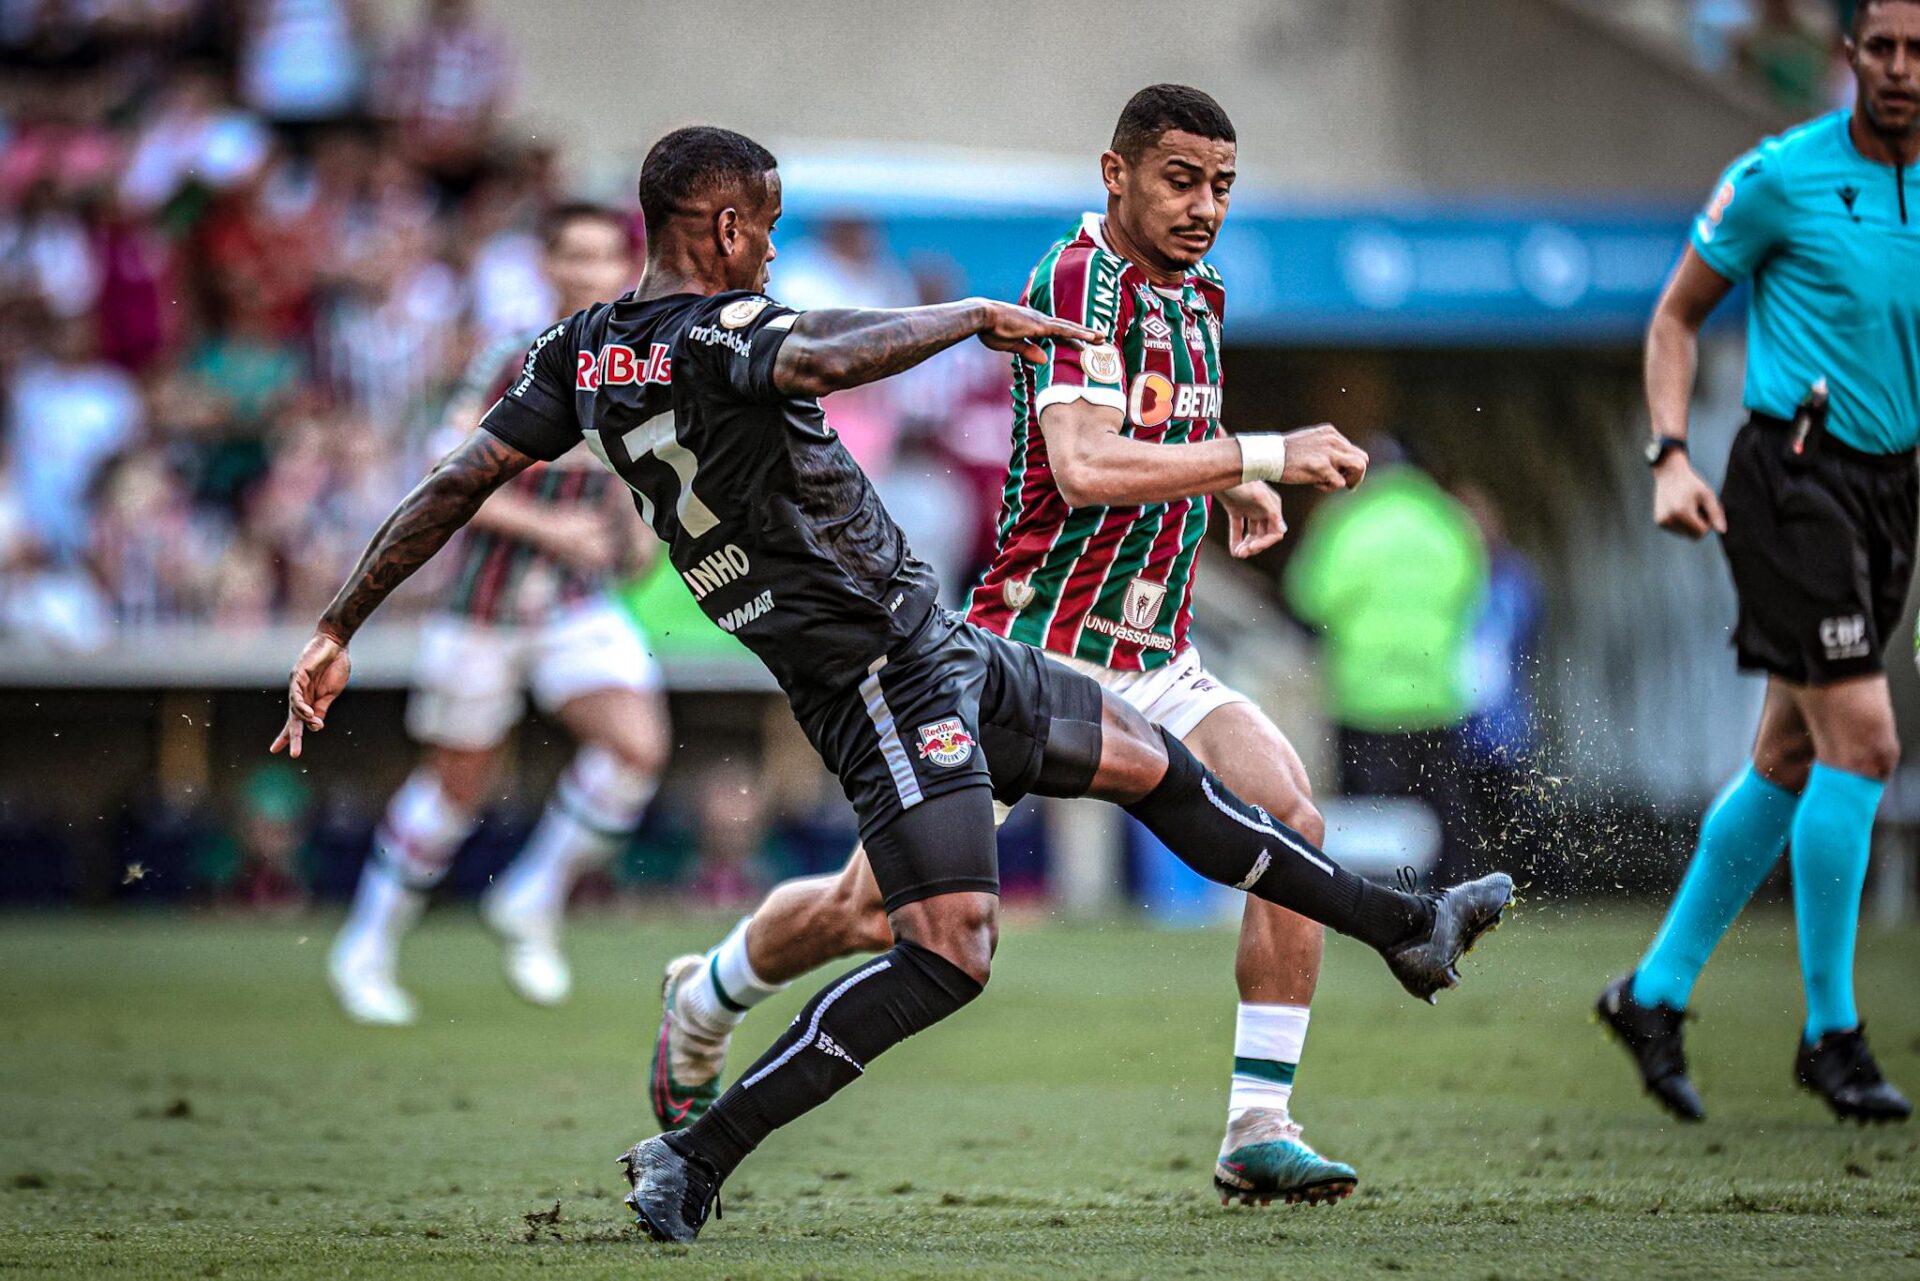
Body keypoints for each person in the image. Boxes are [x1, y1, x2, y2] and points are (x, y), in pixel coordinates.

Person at [272, 125, 1514, 1244]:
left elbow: (453, 482)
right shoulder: (724, 331)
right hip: (873, 674)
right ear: (725, 227)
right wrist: (970, 316)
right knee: (949, 951)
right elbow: (820, 356)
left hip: (942, 647)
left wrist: (338, 624)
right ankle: (693, 1155)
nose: (770, 248)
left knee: (1154, 766)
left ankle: (1405, 927)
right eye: (764, 223)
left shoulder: (581, 354)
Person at [647, 85, 1386, 1210]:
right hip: (1023, 648)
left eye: (1222, 187)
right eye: (1181, 181)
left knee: (1289, 818)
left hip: (1154, 651)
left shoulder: (1204, 293)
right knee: (870, 914)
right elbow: (1087, 467)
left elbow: (1171, 432)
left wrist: (1233, 488)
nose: (1204, 208)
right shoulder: (1076, 280)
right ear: (1116, 173)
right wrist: (1264, 454)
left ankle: (1258, 1123)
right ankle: (707, 991)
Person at [1598, 0, 1918, 1126]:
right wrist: (1669, 454)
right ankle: (1831, 1032)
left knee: (1793, 751)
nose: (1899, 68)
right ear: (1849, 54)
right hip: (1792, 479)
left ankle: (1654, 993)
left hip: (1891, 491)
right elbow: (1677, 317)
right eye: (1881, 46)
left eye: (1919, 50)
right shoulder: (1780, 174)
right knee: (1866, 739)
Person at [325, 203, 668, 1025]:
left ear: (626, 270)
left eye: (603, 257)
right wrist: (553, 526)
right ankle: (366, 944)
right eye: (572, 256)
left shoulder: (643, 370)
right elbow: (445, 473)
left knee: (637, 746)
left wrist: (631, 535)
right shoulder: (512, 357)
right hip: (481, 606)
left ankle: (532, 895)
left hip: (574, 604)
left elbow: (640, 503)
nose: (588, 272)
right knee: (457, 789)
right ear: (547, 267)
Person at [1283, 448, 1488, 880]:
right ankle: (1458, 902)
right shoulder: (1447, 521)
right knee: (1446, 816)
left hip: (1364, 696)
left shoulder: (1347, 522)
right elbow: (1475, 593)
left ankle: (1375, 904)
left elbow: (1309, 597)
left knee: (1368, 820)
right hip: (1435, 694)